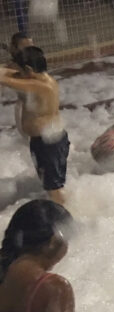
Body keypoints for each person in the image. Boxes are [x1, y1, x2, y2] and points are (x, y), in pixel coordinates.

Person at [0, 47, 69, 205]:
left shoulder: (43, 86)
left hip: (50, 143)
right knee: (49, 184)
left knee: (54, 188)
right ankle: (56, 209)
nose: (17, 73)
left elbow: (5, 79)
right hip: (43, 141)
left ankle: (64, 218)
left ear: (29, 69)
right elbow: (7, 74)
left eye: (19, 70)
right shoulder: (34, 80)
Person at [4, 32, 34, 140]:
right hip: (25, 110)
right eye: (25, 48)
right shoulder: (12, 67)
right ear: (16, 49)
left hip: (40, 107)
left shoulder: (35, 62)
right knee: (30, 144)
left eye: (31, 47)